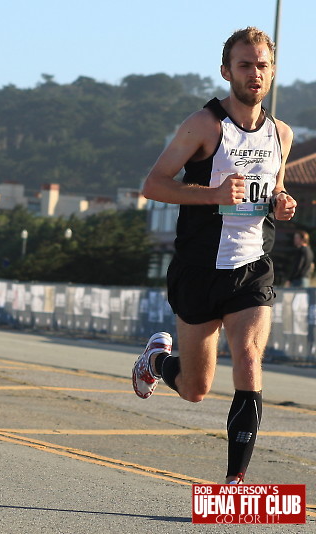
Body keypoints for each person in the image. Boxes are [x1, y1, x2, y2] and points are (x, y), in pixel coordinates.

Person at [133, 27, 296, 484]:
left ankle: (235, 483)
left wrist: (282, 203)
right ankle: (157, 361)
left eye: (262, 65)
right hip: (200, 268)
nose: (254, 73)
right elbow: (154, 184)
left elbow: (275, 190)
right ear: (226, 71)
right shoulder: (204, 125)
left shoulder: (281, 135)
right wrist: (213, 193)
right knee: (194, 389)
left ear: (272, 72)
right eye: (244, 65)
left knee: (248, 358)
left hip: (252, 268)